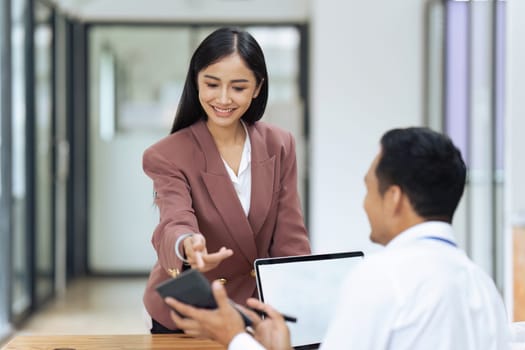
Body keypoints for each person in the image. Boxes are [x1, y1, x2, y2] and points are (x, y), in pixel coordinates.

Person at [165, 127, 510, 349]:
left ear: (394, 199)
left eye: (368, 189)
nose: (364, 203)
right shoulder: (484, 288)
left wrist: (235, 338)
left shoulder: (382, 279)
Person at [142, 26, 311, 334]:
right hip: (189, 309)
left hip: (254, 309)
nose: (223, 99)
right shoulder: (167, 154)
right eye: (212, 84)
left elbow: (290, 238)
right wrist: (188, 245)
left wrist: (304, 305)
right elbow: (173, 220)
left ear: (258, 87)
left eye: (238, 87)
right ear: (196, 81)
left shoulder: (280, 144)